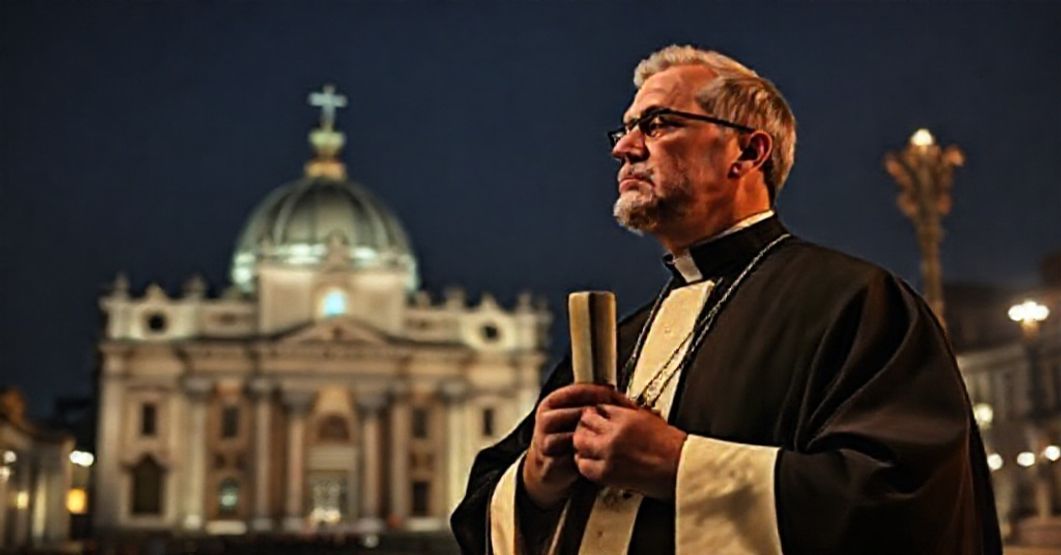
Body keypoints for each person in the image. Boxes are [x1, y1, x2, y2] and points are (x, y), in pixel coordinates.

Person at [450, 44, 1001, 555]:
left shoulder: (857, 303)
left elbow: (911, 503)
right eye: (623, 129)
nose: (624, 146)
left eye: (657, 124)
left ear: (747, 150)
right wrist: (538, 477)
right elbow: (477, 516)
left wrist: (677, 464)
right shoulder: (619, 340)